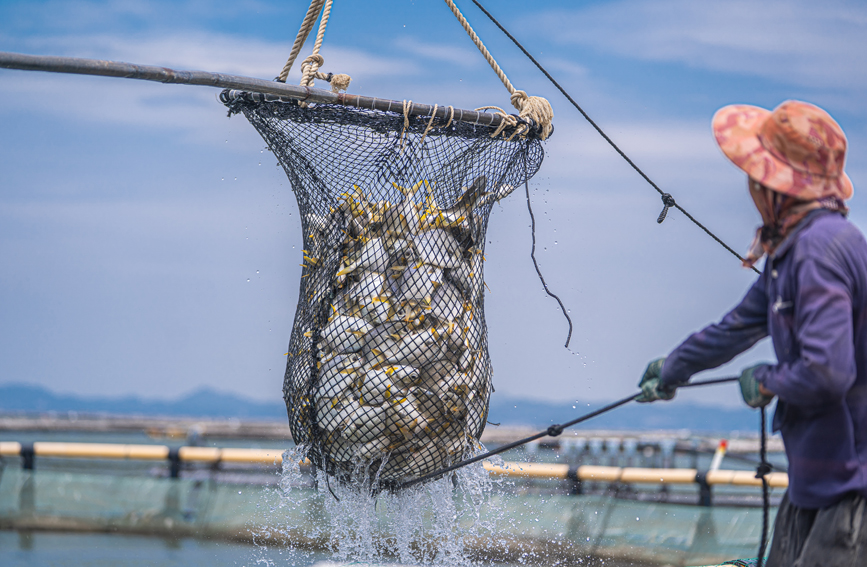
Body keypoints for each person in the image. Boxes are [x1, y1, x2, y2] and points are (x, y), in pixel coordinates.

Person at [637, 100, 867, 565]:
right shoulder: (796, 248)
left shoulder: (819, 252)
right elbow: (737, 327)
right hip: (815, 484)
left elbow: (827, 372)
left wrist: (766, 380)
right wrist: (674, 369)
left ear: (773, 185)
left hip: (852, 491)